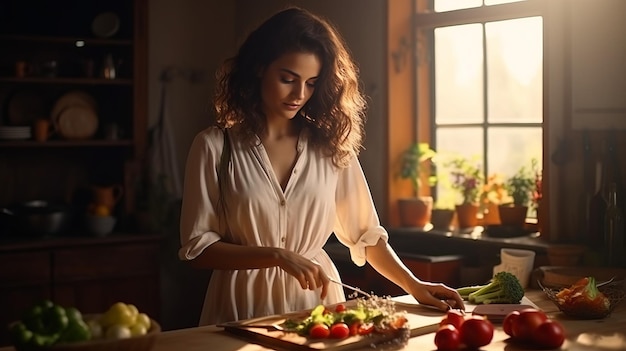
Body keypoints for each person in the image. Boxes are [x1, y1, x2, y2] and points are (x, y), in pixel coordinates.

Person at [178, 6, 464, 326]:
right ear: (259, 68)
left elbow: (366, 237)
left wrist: (416, 286)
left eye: (311, 83)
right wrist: (276, 255)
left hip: (315, 305)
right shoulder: (214, 147)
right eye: (288, 79)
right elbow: (199, 250)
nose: (299, 94)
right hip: (241, 304)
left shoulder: (330, 148)